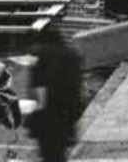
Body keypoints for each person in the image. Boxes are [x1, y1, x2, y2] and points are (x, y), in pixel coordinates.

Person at [27, 27, 82, 162]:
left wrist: (34, 117)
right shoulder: (72, 55)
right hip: (67, 113)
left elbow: (38, 90)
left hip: (48, 116)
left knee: (50, 154)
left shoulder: (40, 56)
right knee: (59, 154)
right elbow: (78, 86)